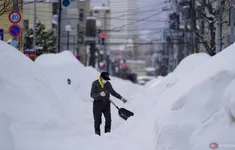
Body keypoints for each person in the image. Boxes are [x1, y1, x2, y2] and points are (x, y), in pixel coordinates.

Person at [90, 71, 127, 136]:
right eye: (105, 79)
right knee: (97, 121)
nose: (106, 81)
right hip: (97, 104)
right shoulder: (95, 83)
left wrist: (121, 98)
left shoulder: (108, 84)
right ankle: (97, 134)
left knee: (108, 119)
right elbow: (92, 95)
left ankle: (107, 134)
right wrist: (99, 94)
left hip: (106, 104)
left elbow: (113, 92)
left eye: (107, 79)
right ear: (101, 77)